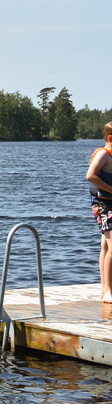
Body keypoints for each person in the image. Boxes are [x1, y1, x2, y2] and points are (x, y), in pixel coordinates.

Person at [86, 121, 112, 302]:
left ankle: (104, 288)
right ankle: (109, 290)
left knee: (105, 245)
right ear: (110, 138)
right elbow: (91, 175)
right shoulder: (104, 154)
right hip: (103, 205)